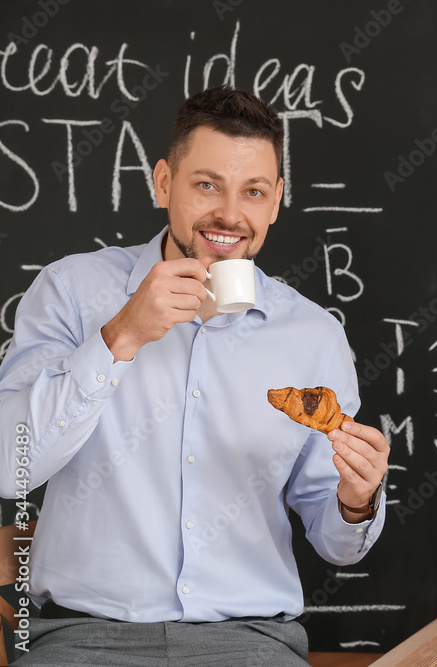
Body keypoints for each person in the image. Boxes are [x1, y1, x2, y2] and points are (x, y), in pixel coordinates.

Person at [0, 86, 389, 666]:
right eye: (207, 184)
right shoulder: (70, 293)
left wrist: (357, 502)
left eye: (253, 192)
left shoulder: (313, 336)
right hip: (84, 641)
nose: (230, 214)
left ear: (277, 200)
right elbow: (12, 465)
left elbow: (336, 543)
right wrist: (122, 335)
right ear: (163, 182)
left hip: (250, 641)